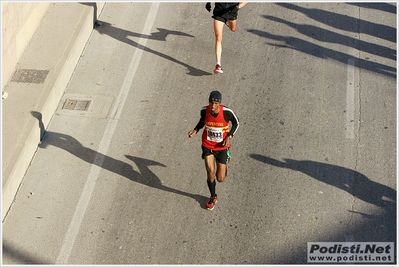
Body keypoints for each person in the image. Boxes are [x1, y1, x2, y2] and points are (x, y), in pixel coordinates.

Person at [188, 91, 239, 210]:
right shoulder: (204, 111)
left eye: (216, 103)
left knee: (220, 178)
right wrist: (195, 130)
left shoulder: (227, 112)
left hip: (221, 147)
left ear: (219, 104)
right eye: (211, 103)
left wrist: (229, 136)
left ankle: (225, 163)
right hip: (208, 145)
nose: (213, 106)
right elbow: (202, 121)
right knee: (210, 171)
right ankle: (213, 196)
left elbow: (237, 123)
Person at [205, 2, 248, 74]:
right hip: (219, 12)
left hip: (231, 12)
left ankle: (226, 22)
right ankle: (218, 64)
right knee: (218, 38)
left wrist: (237, 7)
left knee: (233, 29)